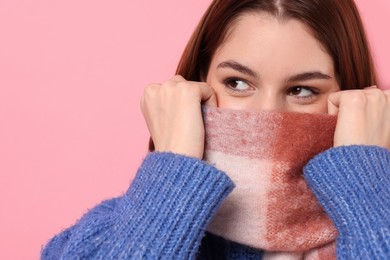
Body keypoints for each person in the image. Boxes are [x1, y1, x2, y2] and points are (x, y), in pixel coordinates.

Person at [41, 0, 390, 259]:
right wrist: (173, 166)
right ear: (198, 84)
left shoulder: (378, 216)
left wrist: (367, 186)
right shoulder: (104, 236)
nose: (266, 116)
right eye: (237, 83)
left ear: (353, 98)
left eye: (302, 90)